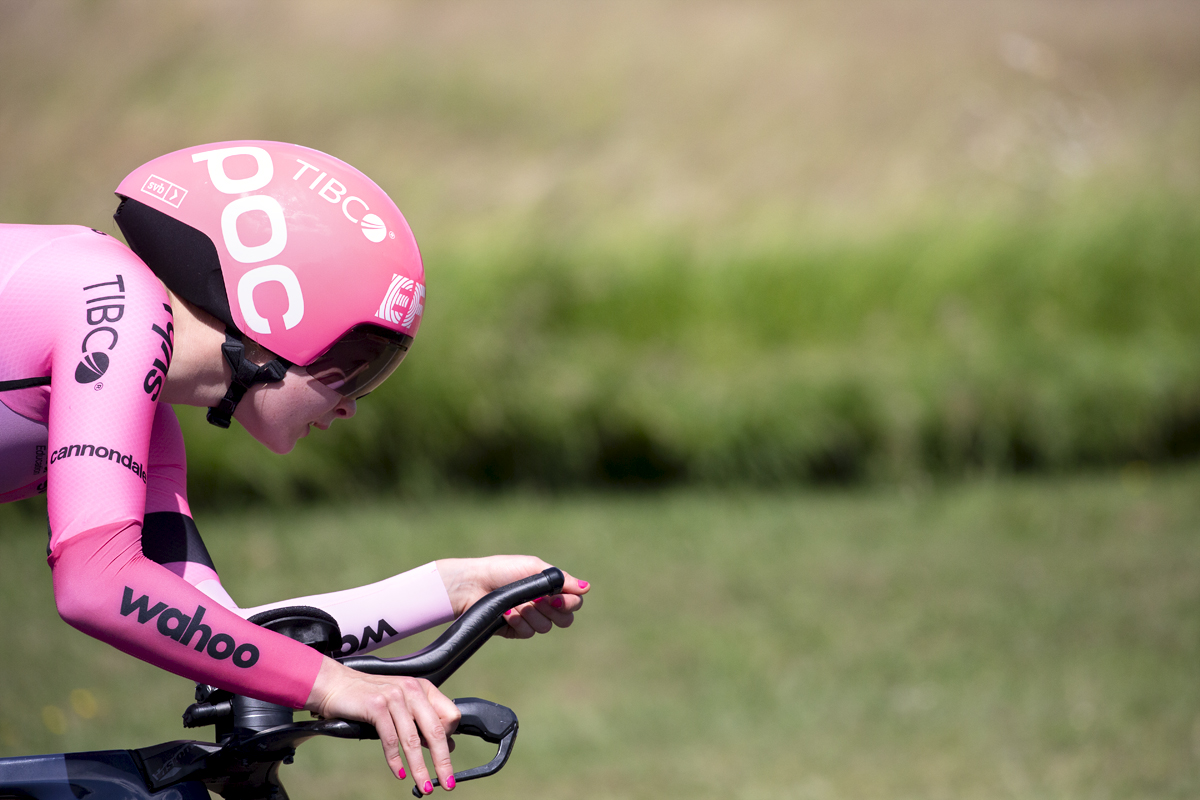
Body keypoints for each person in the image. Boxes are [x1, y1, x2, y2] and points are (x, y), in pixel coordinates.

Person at [0, 141, 589, 793]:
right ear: (273, 312)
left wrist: (452, 589)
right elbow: (95, 582)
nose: (352, 404)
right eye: (356, 364)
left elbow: (223, 640)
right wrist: (337, 686)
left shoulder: (147, 422)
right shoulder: (111, 300)